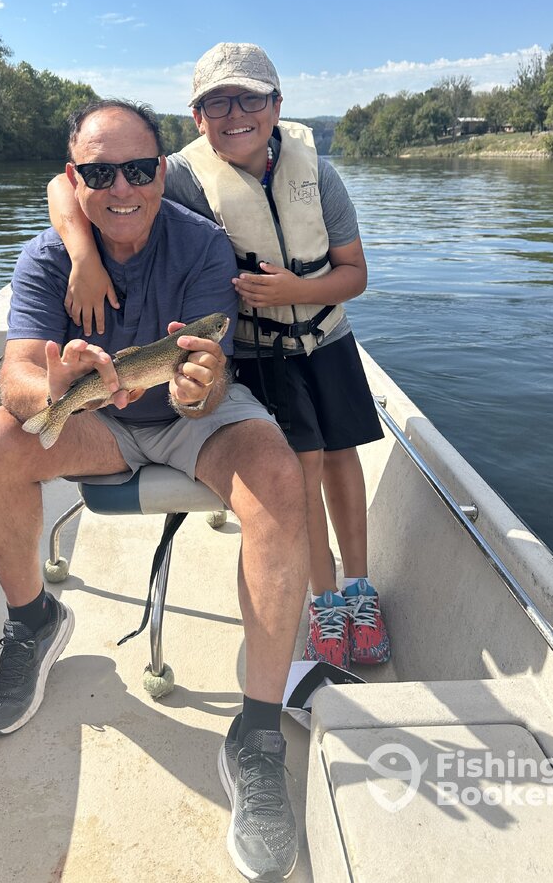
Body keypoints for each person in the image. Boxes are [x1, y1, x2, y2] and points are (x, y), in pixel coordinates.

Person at [0, 99, 308, 883]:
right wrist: (51, 389)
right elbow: (17, 377)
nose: (122, 187)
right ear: (75, 177)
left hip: (192, 421)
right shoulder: (46, 258)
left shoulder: (203, 244)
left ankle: (256, 734)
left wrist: (199, 387)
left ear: (161, 171)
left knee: (280, 477)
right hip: (96, 418)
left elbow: (209, 380)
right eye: (100, 173)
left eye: (140, 169)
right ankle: (33, 622)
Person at [48, 44, 391, 671]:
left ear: (276, 106)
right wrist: (84, 257)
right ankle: (323, 597)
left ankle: (359, 588)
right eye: (217, 103)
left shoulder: (319, 174)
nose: (236, 115)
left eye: (250, 99)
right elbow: (61, 186)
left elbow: (355, 274)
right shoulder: (175, 173)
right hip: (255, 354)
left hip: (327, 339)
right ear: (197, 117)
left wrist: (296, 290)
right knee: (303, 465)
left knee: (342, 458)